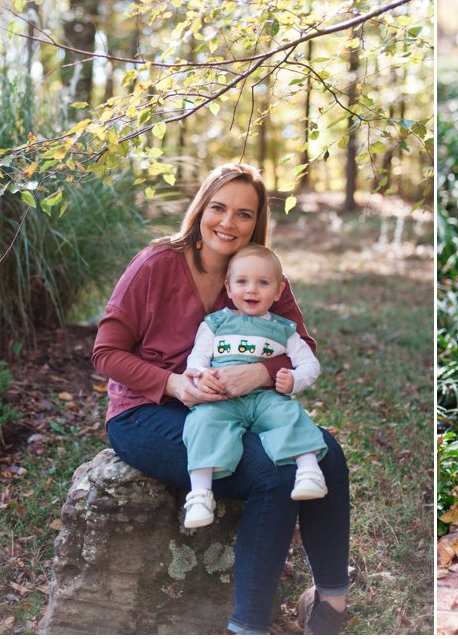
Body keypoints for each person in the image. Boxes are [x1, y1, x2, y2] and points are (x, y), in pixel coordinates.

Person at [93, 163, 349, 634]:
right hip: (147, 413)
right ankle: (247, 625)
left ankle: (330, 606)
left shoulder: (258, 273)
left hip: (237, 409)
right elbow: (105, 353)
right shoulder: (155, 263)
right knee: (275, 473)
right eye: (219, 208)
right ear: (200, 209)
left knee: (326, 451)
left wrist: (263, 371)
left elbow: (300, 347)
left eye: (244, 214)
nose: (228, 223)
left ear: (258, 223)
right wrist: (175, 385)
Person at [183, 243, 329, 531]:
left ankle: (309, 472)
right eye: (242, 282)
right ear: (228, 286)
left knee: (289, 416)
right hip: (223, 397)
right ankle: (200, 493)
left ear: (278, 291)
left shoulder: (283, 329)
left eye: (263, 283)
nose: (251, 290)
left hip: (266, 396)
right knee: (202, 421)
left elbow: (311, 365)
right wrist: (202, 375)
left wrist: (294, 380)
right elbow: (196, 358)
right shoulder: (215, 324)